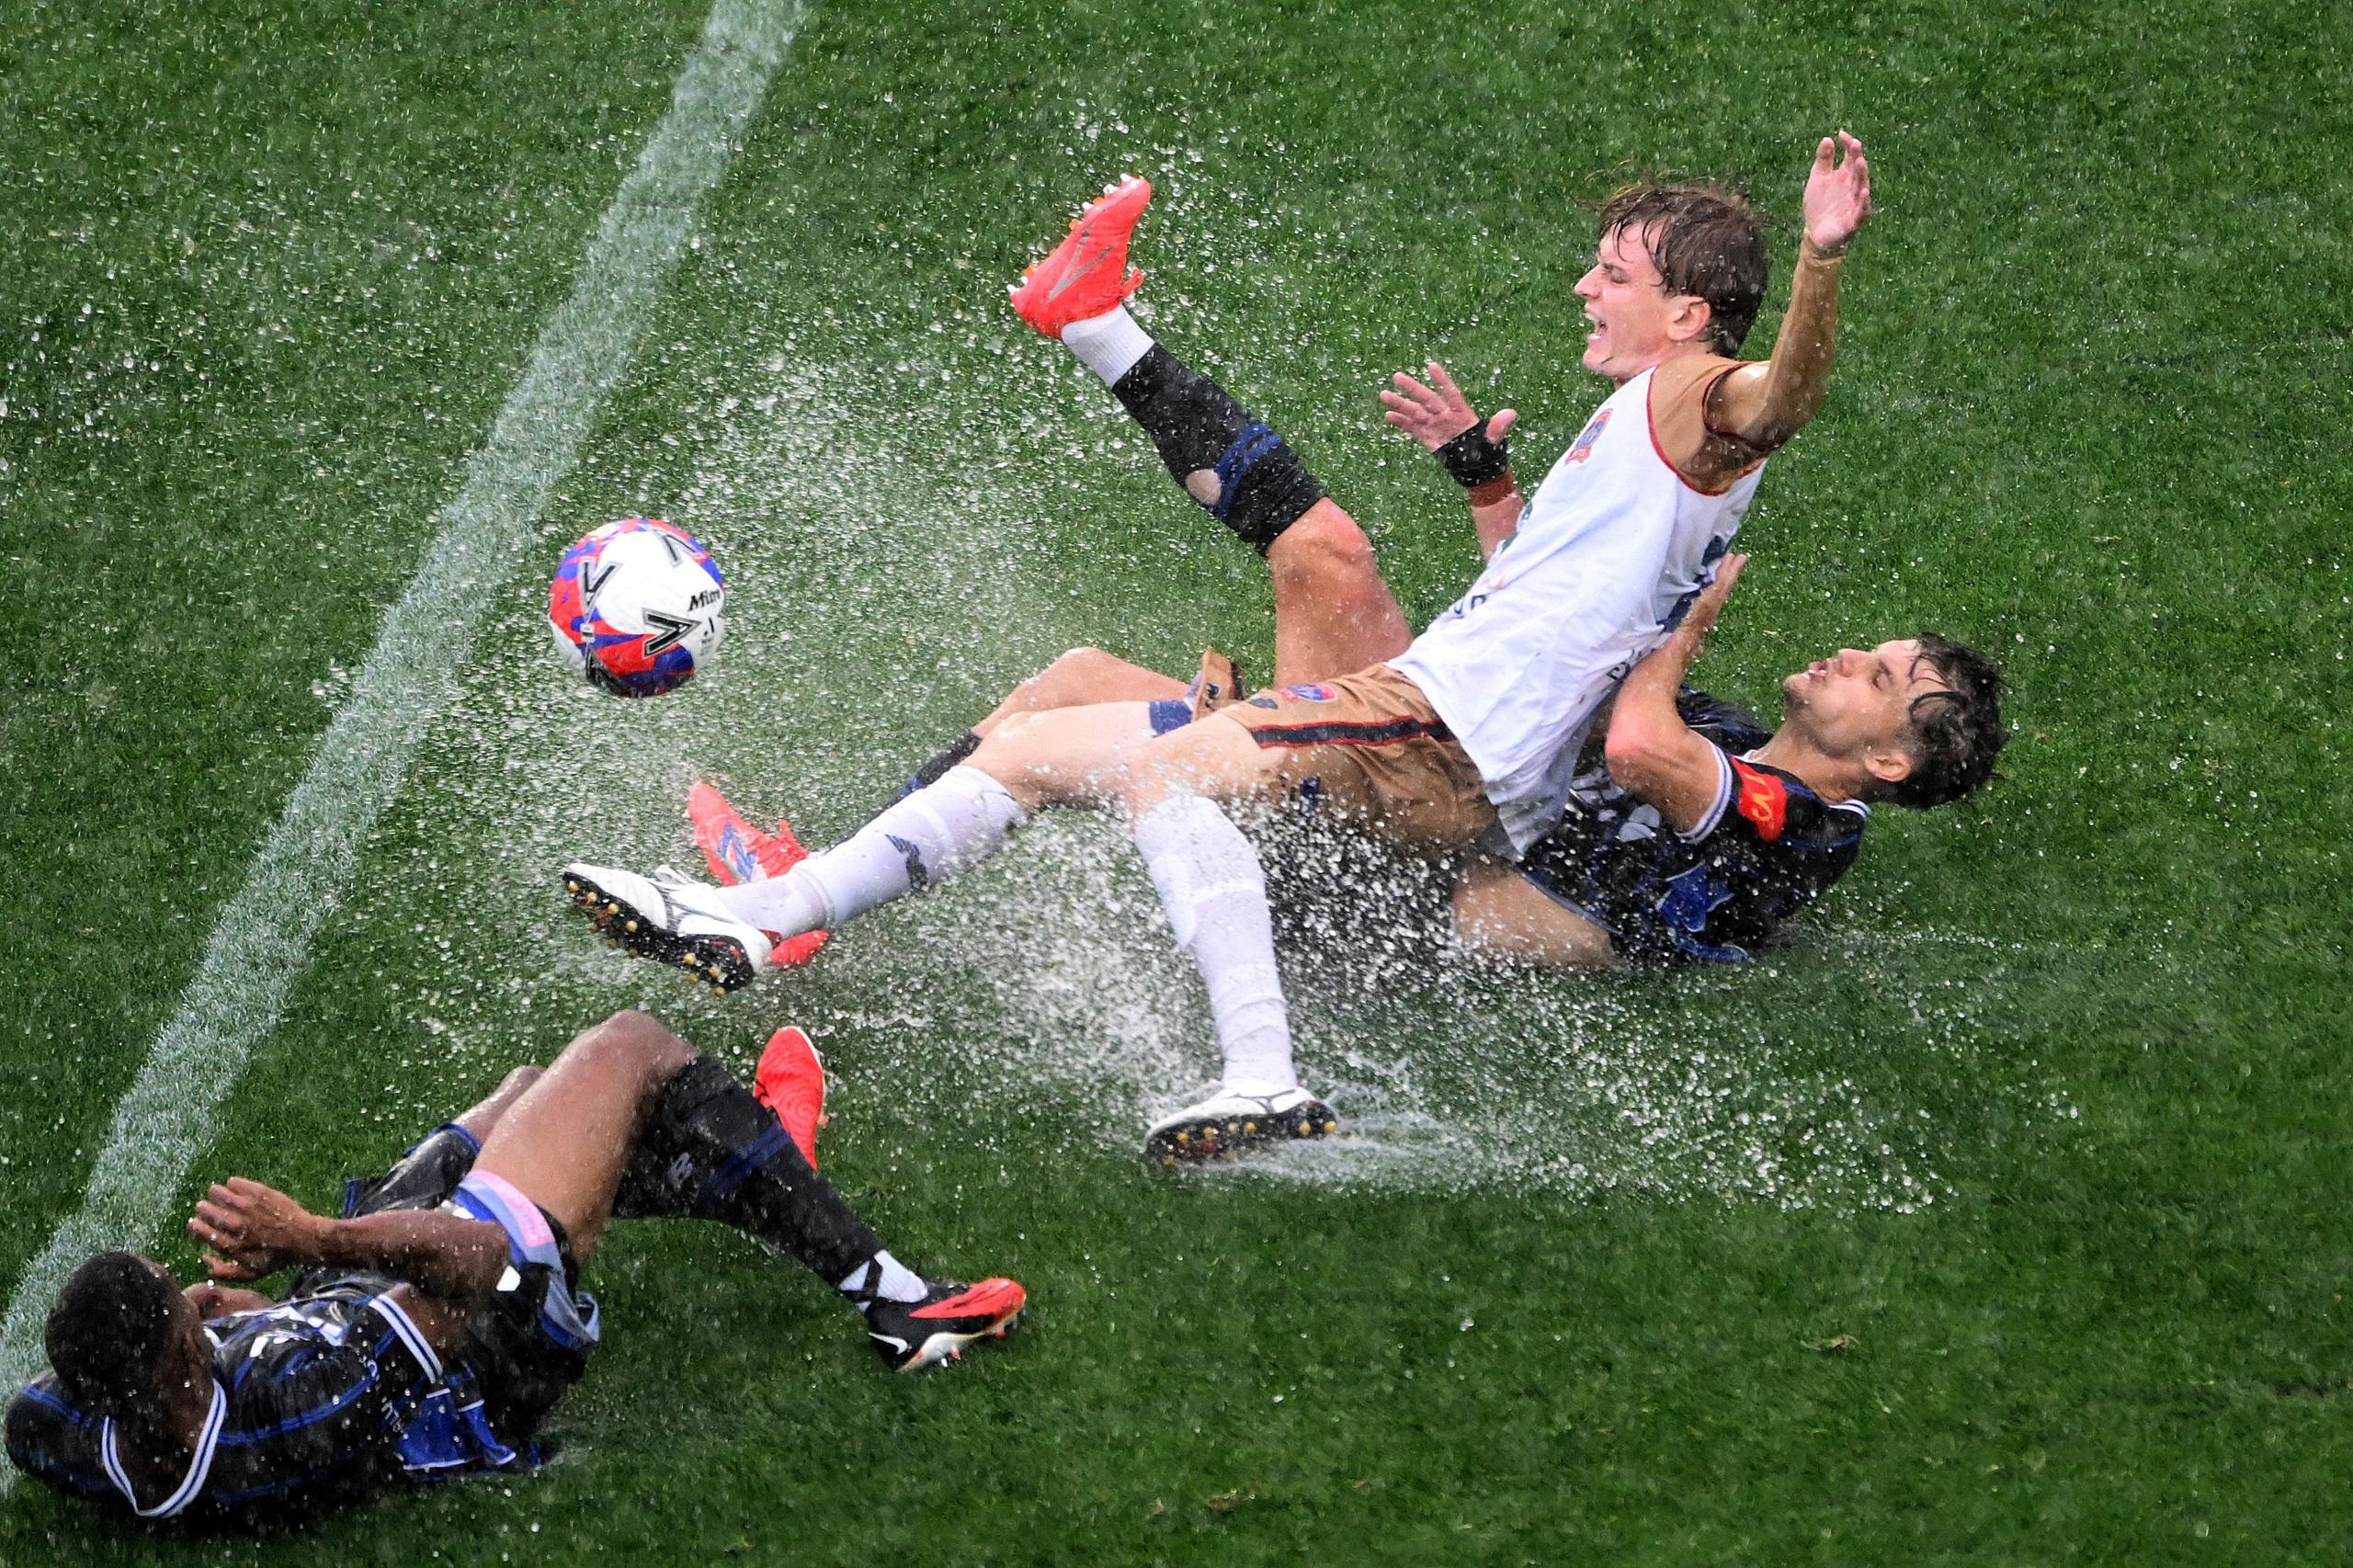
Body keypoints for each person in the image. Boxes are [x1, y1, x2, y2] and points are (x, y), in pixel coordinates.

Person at [558, 137, 1992, 1158]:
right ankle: (767, 913)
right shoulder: (1645, 425)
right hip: (1436, 721)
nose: (1583, 290)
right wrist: (1491, 484)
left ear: (1687, 310)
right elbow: (1560, 613)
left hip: (1442, 746)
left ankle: (1258, 1069)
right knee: (1051, 731)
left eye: (1611, 273)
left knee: (1167, 771)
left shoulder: (1704, 406)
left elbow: (1787, 395)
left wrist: (1818, 258)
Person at [5, 1014, 1024, 1527]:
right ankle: (897, 1301)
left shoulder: (58, 1426)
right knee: (627, 1050)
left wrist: (237, 1316)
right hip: (488, 1345)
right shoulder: (309, 1399)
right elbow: (478, 1263)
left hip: (350, 1313)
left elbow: (104, 1388)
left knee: (537, 1095)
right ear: (185, 1351)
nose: (198, 1290)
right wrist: (314, 1237)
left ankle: (758, 1158)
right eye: (187, 1304)